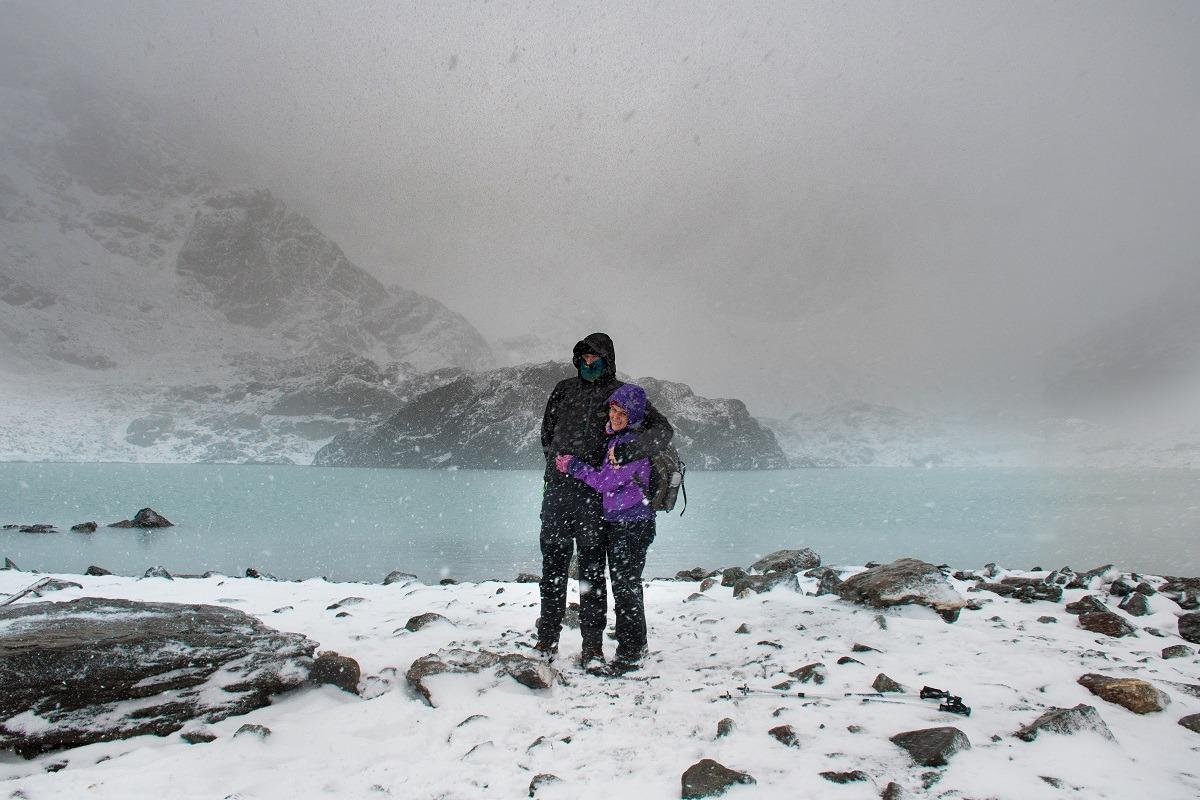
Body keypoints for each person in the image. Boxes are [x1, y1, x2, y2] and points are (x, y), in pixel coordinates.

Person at [537, 333, 672, 669]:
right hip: (557, 493)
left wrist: (630, 449)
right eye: (583, 358)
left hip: (594, 500)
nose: (588, 363)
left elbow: (663, 431)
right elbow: (547, 433)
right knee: (552, 568)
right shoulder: (563, 389)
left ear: (608, 359)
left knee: (591, 575)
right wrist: (556, 466)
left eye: (594, 358)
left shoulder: (621, 395)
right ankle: (546, 641)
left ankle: (592, 649)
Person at [556, 382, 657, 673]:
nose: (615, 416)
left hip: (631, 525)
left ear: (634, 415)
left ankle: (631, 653)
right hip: (626, 522)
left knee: (625, 588)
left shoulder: (630, 444)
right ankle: (636, 644)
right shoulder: (622, 439)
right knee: (628, 586)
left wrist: (573, 466)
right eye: (613, 410)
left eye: (622, 413)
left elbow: (606, 482)